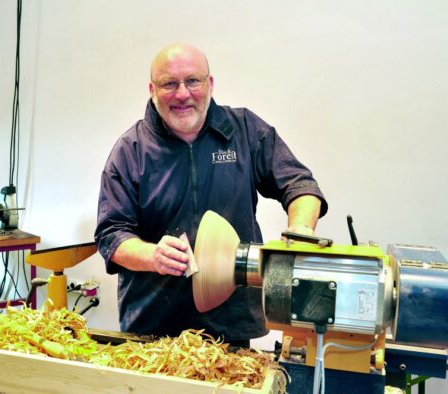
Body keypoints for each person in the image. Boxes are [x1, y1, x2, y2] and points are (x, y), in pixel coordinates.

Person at [94, 43, 327, 346]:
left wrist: (300, 231)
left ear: (210, 84)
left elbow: (300, 186)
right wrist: (153, 256)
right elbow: (111, 235)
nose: (182, 94)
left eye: (193, 81)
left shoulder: (244, 130)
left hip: (231, 326)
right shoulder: (130, 150)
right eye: (169, 84)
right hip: (153, 329)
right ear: (152, 89)